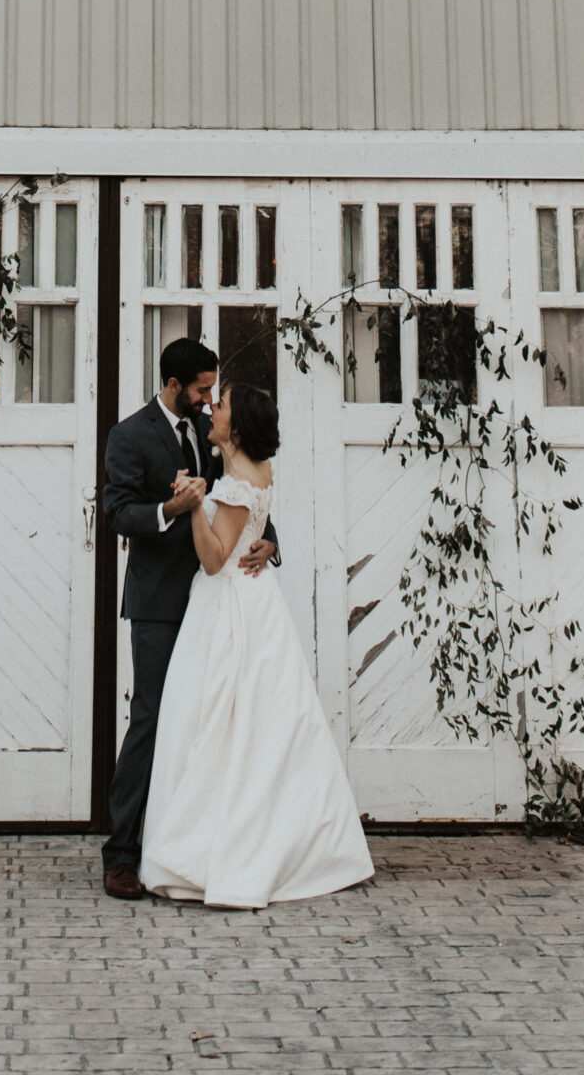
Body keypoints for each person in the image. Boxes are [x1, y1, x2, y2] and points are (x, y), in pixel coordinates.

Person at [139, 381, 375, 909]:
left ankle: (212, 849)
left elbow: (214, 558)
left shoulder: (235, 482)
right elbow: (252, 530)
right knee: (259, 725)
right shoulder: (255, 473)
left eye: (219, 406)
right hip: (256, 601)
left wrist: (193, 504)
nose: (212, 410)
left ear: (237, 426)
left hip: (226, 607)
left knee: (217, 722)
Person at [99, 338, 276, 900]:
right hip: (158, 603)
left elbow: (246, 496)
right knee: (151, 720)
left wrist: (269, 542)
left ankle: (191, 846)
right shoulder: (128, 436)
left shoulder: (212, 430)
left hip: (215, 602)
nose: (208, 399)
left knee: (205, 726)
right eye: (202, 389)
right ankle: (122, 855)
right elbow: (117, 511)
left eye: (212, 391)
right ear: (173, 385)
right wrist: (169, 509)